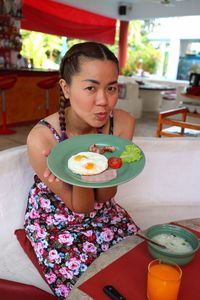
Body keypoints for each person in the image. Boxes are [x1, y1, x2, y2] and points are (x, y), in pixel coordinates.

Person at [24, 42, 139, 299]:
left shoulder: (121, 123)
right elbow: (81, 207)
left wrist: (97, 164)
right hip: (58, 221)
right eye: (90, 88)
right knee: (94, 289)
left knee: (138, 269)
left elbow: (105, 196)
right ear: (65, 88)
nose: (104, 101)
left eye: (111, 88)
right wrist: (78, 170)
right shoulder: (43, 139)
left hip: (105, 213)